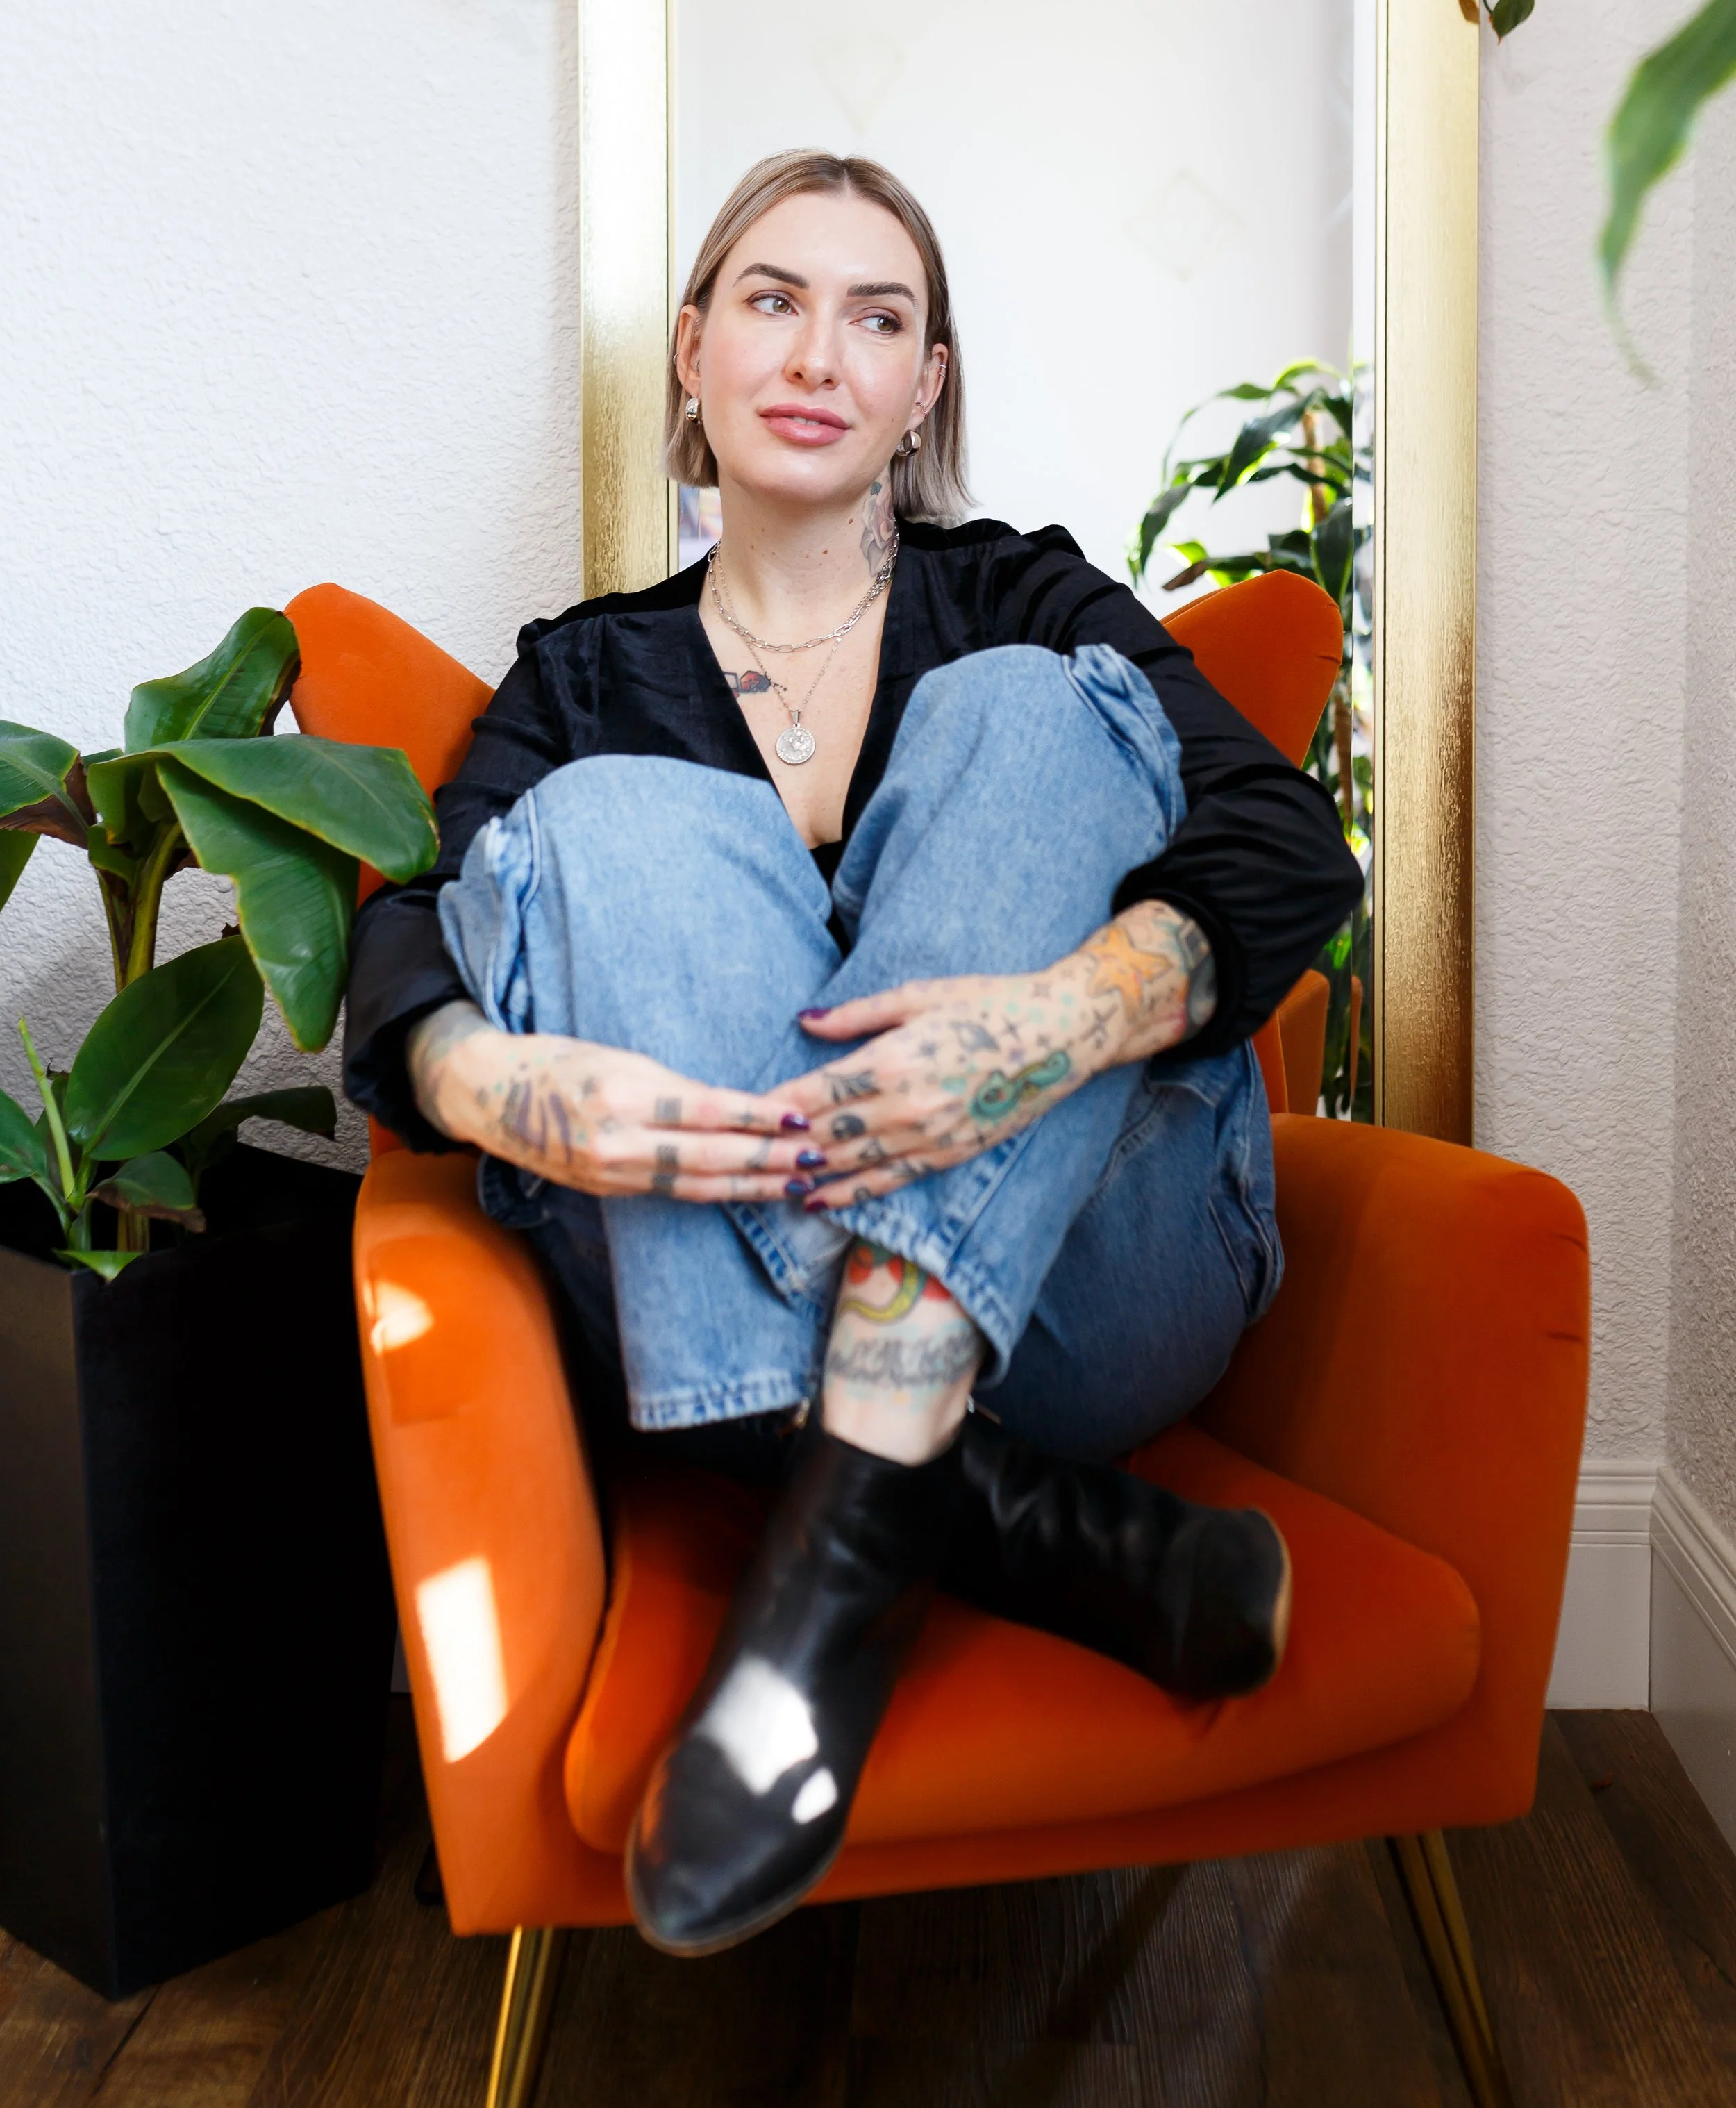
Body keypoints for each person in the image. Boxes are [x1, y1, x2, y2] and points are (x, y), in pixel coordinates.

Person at [344, 149, 1365, 1958]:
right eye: (771, 297)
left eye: (876, 315)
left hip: (1093, 1275)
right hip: (706, 1272)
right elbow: (407, 935)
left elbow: (1285, 849)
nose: (820, 349)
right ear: (689, 348)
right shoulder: (581, 675)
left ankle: (817, 1606)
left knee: (1033, 719)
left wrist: (1058, 1017)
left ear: (923, 386)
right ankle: (1042, 1535)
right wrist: (496, 1081)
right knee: (596, 834)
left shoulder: (1017, 592)